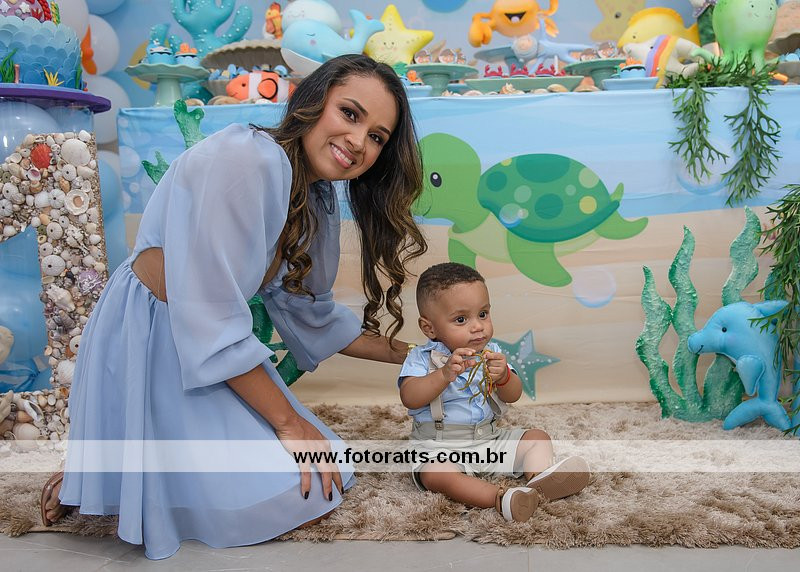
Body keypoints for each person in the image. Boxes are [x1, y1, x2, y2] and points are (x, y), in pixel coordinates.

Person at [40, 54, 427, 559]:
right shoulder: (247, 158)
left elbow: (311, 314)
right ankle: (102, 469)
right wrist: (289, 424)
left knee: (328, 471)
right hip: (154, 338)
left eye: (376, 136)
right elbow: (209, 315)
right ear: (313, 104)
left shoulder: (316, 199)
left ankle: (110, 471)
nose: (358, 141)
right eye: (349, 114)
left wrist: (424, 354)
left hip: (207, 344)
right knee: (284, 493)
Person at [399, 263, 589, 522]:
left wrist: (504, 377)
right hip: (439, 446)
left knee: (537, 437)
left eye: (483, 314)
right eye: (461, 319)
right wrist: (443, 375)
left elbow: (513, 395)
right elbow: (410, 397)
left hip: (489, 440)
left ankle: (539, 481)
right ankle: (501, 499)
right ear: (429, 328)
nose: (478, 326)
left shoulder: (492, 353)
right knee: (437, 473)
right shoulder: (421, 358)